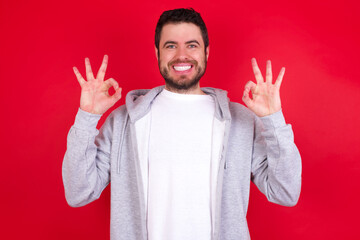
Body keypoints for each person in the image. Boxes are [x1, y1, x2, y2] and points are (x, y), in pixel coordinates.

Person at [62, 8, 302, 240]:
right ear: (157, 53)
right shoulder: (123, 121)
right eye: (170, 45)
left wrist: (273, 121)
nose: (181, 55)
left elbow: (285, 192)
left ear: (206, 53)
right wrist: (87, 117)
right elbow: (79, 193)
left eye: (191, 45)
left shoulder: (240, 121)